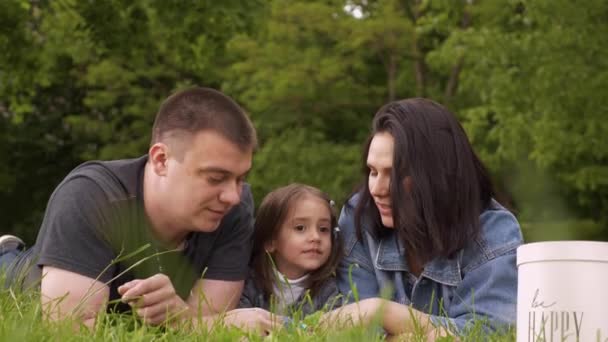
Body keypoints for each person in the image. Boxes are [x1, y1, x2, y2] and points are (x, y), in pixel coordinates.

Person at [0, 87, 276, 333]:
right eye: (215, 178)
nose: (232, 195)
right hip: (16, 279)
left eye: (241, 178)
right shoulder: (92, 196)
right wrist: (194, 324)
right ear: (161, 160)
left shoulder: (235, 208)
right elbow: (72, 330)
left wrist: (182, 319)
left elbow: (211, 319)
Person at [335, 98, 523, 335]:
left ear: (436, 175)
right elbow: (353, 331)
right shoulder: (359, 218)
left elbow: (487, 333)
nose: (377, 189)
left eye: (394, 174)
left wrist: (379, 311)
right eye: (373, 172)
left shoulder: (494, 231)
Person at [239, 184, 344, 317]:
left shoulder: (329, 289)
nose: (316, 237)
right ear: (270, 241)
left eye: (323, 229)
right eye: (300, 228)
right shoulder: (249, 282)